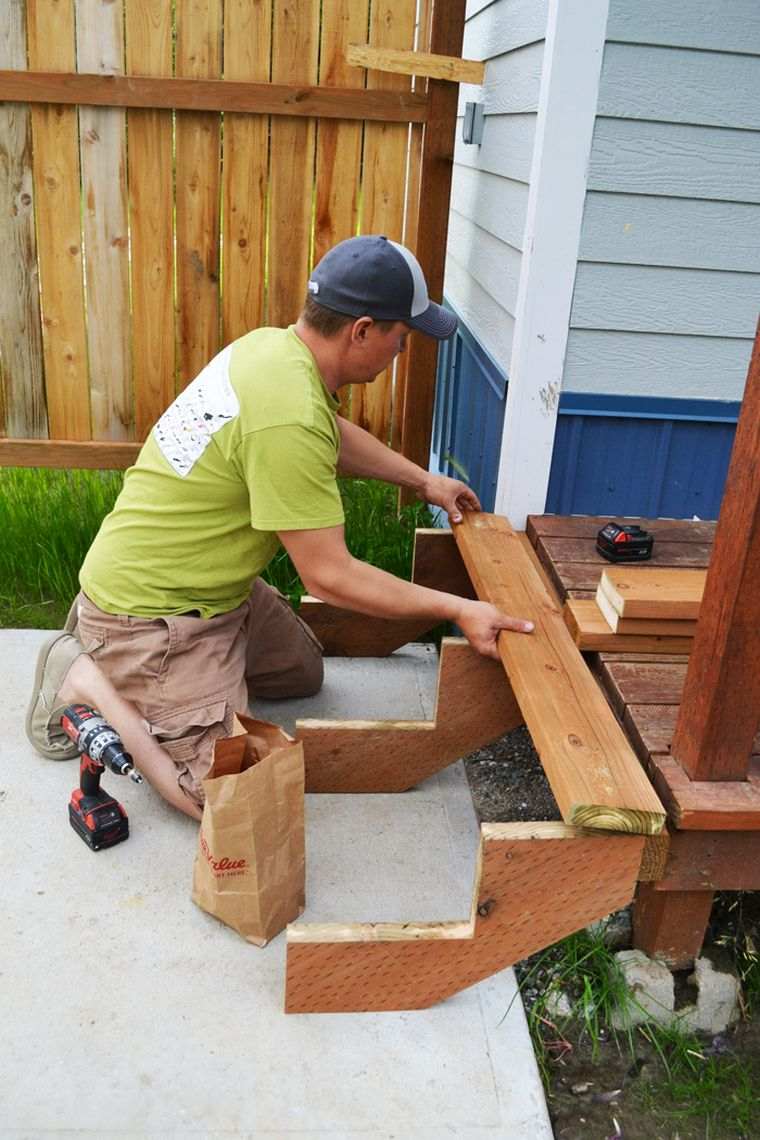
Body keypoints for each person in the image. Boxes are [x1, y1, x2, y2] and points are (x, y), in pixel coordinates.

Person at [26, 235, 533, 821]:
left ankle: (193, 684)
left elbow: (327, 435)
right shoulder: (286, 406)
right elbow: (331, 576)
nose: (403, 349)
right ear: (362, 331)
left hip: (213, 590)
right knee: (230, 800)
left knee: (301, 674)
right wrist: (459, 608)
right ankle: (87, 676)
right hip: (152, 618)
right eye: (403, 336)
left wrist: (422, 481)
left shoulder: (275, 352)